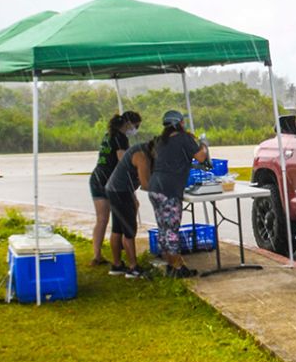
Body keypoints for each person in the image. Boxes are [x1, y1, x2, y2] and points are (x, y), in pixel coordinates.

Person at [148, 109, 210, 278]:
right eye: (182, 122)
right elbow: (201, 158)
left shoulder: (161, 140)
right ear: (179, 123)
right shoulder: (184, 138)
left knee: (163, 228)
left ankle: (171, 264)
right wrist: (203, 144)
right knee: (172, 229)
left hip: (155, 187)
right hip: (169, 189)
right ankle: (177, 268)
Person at [88, 111, 140, 265]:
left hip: (97, 178)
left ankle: (97, 255)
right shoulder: (120, 137)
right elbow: (123, 160)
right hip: (111, 181)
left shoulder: (109, 134)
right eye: (136, 126)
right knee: (128, 210)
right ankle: (124, 243)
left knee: (102, 219)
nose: (136, 129)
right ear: (129, 123)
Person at [104, 138, 152, 277]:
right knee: (129, 230)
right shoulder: (142, 156)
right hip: (121, 191)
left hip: (115, 189)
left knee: (118, 228)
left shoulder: (141, 149)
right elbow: (145, 184)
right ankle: (133, 268)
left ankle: (117, 265)